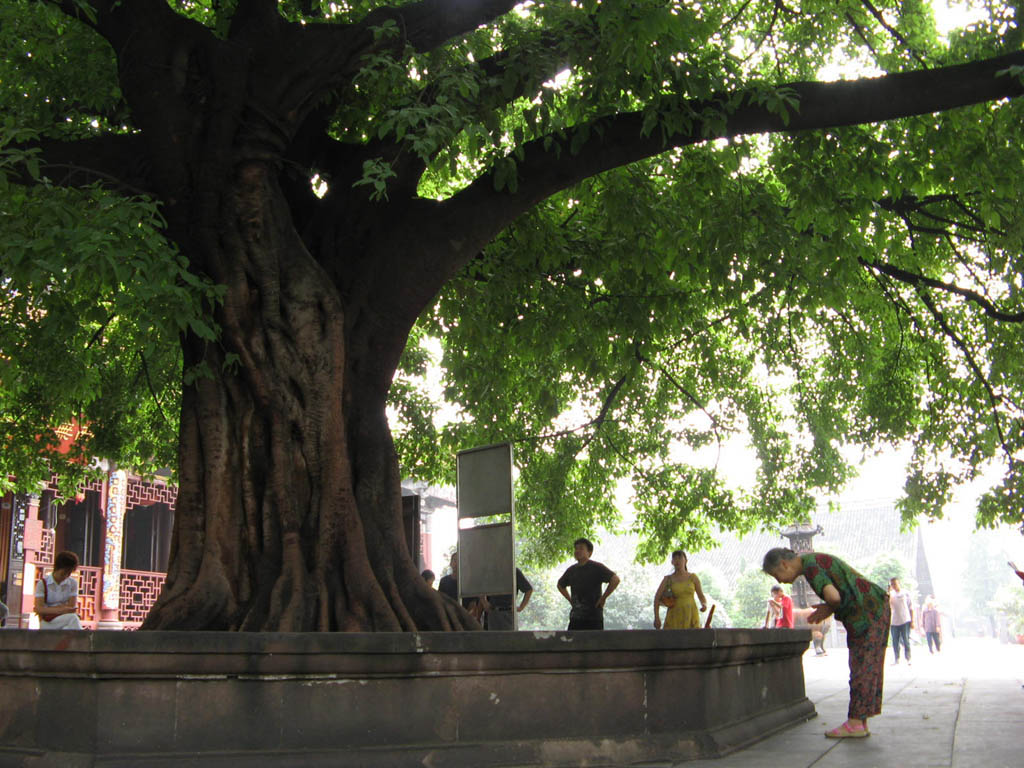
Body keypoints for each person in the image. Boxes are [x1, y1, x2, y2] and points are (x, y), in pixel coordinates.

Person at [763, 547, 889, 739]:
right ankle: (860, 721)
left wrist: (828, 608)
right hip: (875, 608)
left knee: (862, 666)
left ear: (784, 564)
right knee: (869, 666)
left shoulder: (811, 567)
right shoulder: (813, 561)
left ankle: (855, 722)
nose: (779, 581)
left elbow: (833, 597)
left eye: (776, 575)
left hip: (867, 613)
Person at [557, 538, 620, 630]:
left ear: (589, 553)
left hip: (594, 617)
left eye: (581, 548)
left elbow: (615, 579)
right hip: (576, 617)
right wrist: (570, 600)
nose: (577, 551)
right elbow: (560, 585)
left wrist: (603, 598)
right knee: (573, 643)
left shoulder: (597, 567)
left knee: (594, 643)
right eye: (576, 548)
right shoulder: (571, 570)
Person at [653, 550, 707, 629]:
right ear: (672, 562)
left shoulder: (693, 577)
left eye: (680, 558)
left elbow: (701, 595)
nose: (677, 560)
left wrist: (704, 604)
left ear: (686, 561)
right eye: (675, 558)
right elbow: (657, 598)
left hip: (691, 613)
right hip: (674, 615)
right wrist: (657, 618)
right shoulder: (668, 579)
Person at [34, 550, 84, 630]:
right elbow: (39, 608)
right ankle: (83, 641)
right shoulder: (43, 584)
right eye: (64, 573)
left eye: (69, 573)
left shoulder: (72, 583)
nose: (66, 576)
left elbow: (71, 606)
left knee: (68, 627)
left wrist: (50, 609)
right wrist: (62, 609)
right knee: (73, 618)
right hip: (48, 622)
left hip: (66, 619)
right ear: (57, 568)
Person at [437, 552, 486, 621]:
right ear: (450, 563)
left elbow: (473, 604)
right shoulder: (444, 581)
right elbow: (440, 600)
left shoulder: (469, 582)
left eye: (459, 560)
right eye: (454, 560)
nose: (456, 563)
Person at [888, 577, 914, 666]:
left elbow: (911, 607)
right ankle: (896, 658)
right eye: (892, 584)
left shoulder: (905, 593)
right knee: (895, 640)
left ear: (899, 583)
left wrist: (912, 621)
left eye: (895, 583)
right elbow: (887, 605)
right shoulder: (890, 594)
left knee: (906, 639)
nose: (894, 586)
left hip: (905, 620)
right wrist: (889, 593)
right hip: (894, 621)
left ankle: (908, 658)